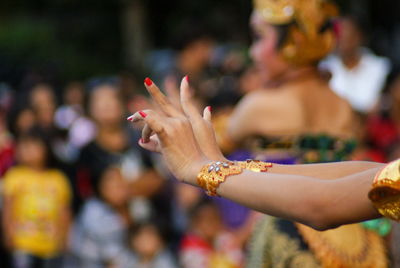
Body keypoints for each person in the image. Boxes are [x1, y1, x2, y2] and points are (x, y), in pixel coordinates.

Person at [2, 127, 71, 268]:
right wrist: (7, 234)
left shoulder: (57, 179)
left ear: (46, 148)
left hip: (51, 244)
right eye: (23, 146)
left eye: (33, 145)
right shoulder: (14, 176)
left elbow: (64, 212)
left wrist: (64, 238)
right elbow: (8, 209)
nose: (27, 150)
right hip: (22, 242)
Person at [320, 16, 391, 115]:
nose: (342, 39)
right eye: (339, 35)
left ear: (360, 36)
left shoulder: (382, 67)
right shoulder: (325, 68)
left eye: (347, 34)